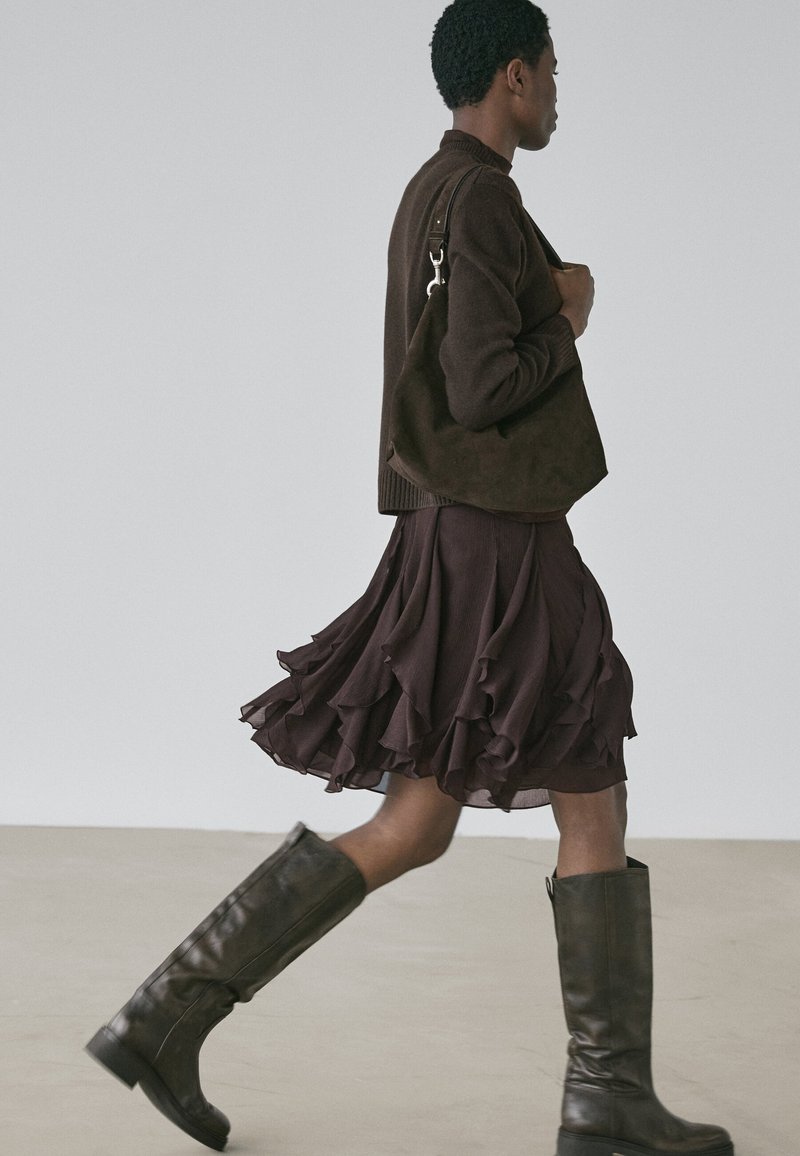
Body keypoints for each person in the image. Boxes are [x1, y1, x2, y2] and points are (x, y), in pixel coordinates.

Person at [84, 2, 734, 1154]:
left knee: (420, 817)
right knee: (586, 775)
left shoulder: (428, 192)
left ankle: (163, 1015)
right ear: (512, 76)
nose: (556, 92)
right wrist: (568, 313)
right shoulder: (478, 199)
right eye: (549, 71)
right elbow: (480, 387)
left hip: (450, 538)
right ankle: (604, 1098)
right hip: (501, 545)